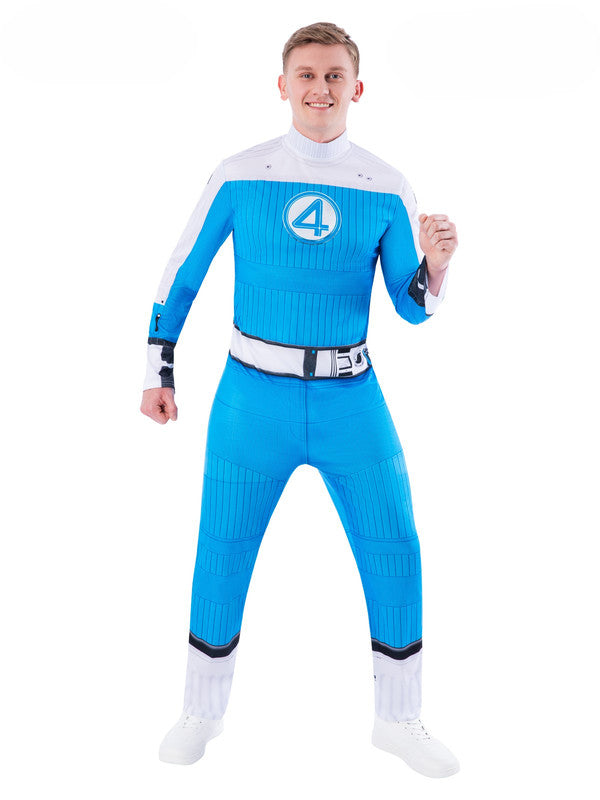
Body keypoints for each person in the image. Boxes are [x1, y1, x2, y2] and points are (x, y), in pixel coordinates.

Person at [140, 21, 459, 779]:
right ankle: (201, 711)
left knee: (395, 544)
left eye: (335, 75)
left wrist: (438, 266)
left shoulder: (386, 184)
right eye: (307, 75)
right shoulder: (238, 173)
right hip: (251, 400)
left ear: (358, 87)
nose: (321, 88)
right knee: (223, 546)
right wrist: (159, 371)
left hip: (352, 398)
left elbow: (410, 307)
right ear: (283, 85)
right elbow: (182, 272)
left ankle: (399, 718)